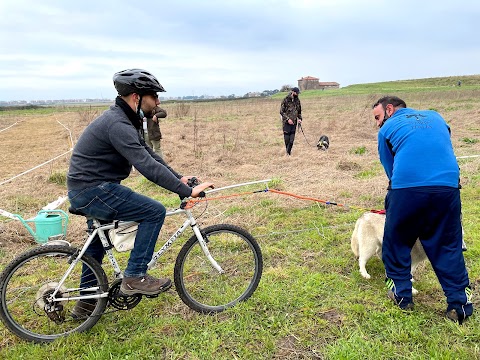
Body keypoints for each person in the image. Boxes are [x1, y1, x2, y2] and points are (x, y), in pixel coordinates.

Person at [67, 68, 213, 317]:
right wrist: (186, 191)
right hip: (94, 189)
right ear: (136, 97)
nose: (157, 102)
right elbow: (145, 166)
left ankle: (86, 306)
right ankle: (135, 276)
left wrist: (179, 178)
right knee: (154, 211)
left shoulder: (126, 120)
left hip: (90, 188)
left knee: (95, 247)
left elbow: (150, 155)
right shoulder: (117, 124)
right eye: (154, 96)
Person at [372, 96, 473, 323]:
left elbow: (391, 170)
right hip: (447, 188)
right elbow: (442, 147)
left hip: (406, 189)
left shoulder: (387, 129)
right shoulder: (436, 117)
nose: (378, 123)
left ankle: (401, 295)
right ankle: (459, 303)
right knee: (448, 244)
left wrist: (400, 198)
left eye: (378, 117)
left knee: (396, 241)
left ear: (389, 110)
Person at [280, 87, 302, 155]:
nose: (297, 94)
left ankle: (288, 153)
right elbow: (281, 112)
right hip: (286, 123)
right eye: (296, 93)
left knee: (291, 140)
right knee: (287, 139)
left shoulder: (297, 101)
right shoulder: (286, 100)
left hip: (294, 123)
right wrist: (288, 119)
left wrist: (300, 119)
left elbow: (299, 111)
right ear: (293, 92)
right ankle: (288, 152)